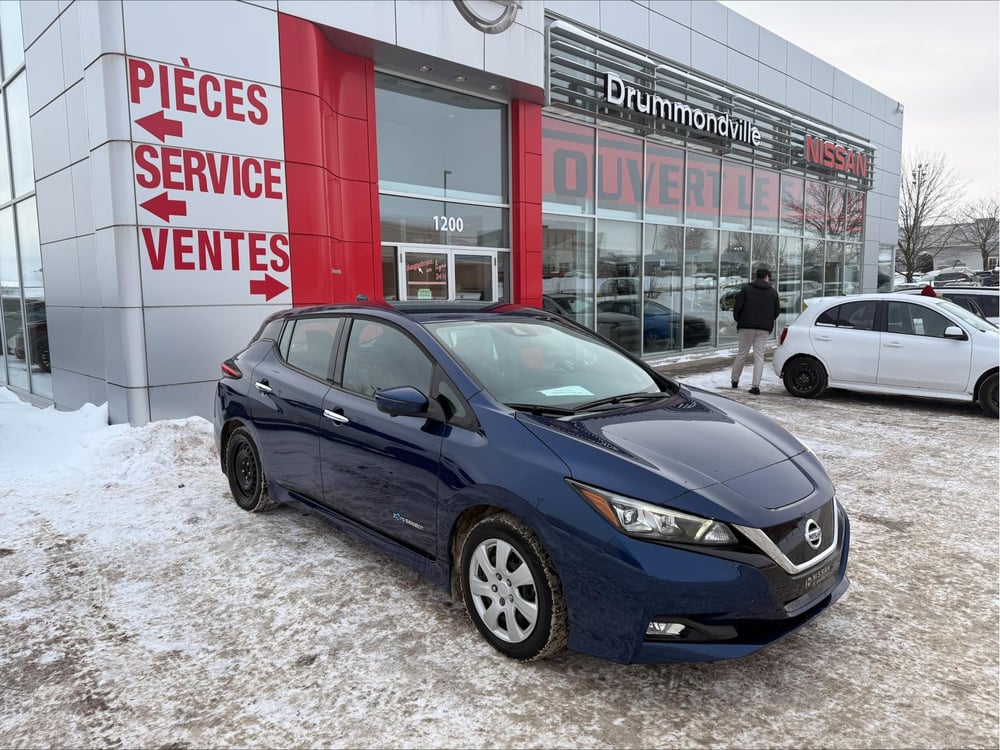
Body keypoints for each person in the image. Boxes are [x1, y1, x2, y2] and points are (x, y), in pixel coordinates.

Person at [730, 267, 780, 395]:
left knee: (742, 353)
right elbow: (776, 312)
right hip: (763, 328)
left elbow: (738, 307)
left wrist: (739, 320)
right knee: (759, 356)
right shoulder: (773, 292)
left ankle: (735, 380)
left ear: (756, 276)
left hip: (746, 326)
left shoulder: (746, 289)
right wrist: (767, 321)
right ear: (766, 277)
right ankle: (756, 386)